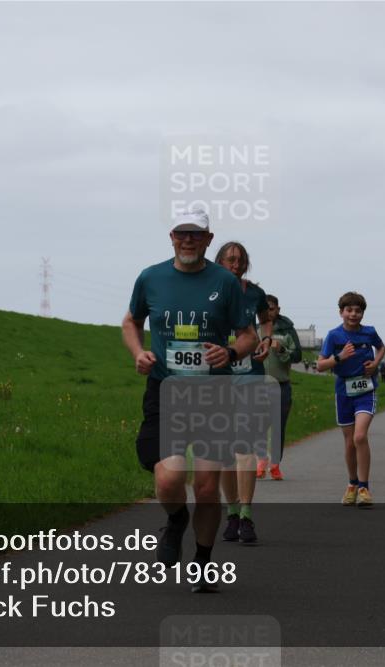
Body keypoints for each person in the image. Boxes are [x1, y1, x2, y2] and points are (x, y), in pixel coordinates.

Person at [122, 208, 257, 592]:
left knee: (207, 488)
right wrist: (138, 352)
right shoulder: (151, 278)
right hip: (167, 391)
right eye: (182, 233)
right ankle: (176, 519)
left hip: (213, 394)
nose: (188, 240)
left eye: (196, 235)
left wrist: (230, 353)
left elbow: (248, 335)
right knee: (169, 480)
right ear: (171, 236)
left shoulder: (225, 283)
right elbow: (131, 321)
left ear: (209, 239)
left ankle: (201, 563)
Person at [213, 242, 270, 544]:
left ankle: (246, 514)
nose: (235, 264)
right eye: (230, 259)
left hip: (249, 375)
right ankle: (232, 511)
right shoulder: (207, 288)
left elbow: (265, 319)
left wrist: (267, 339)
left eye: (240, 260)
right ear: (219, 261)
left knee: (244, 445)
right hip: (218, 378)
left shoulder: (254, 293)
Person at [316, 292, 385, 507]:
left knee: (359, 436)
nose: (353, 314)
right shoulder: (334, 336)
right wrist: (339, 357)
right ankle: (352, 484)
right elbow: (320, 365)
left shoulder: (369, 332)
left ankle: (364, 487)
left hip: (366, 390)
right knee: (349, 443)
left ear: (363, 313)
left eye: (358, 311)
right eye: (349, 310)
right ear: (341, 312)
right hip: (344, 391)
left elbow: (381, 348)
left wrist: (375, 363)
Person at [256, 295, 300, 481]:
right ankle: (261, 460)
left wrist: (281, 349)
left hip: (281, 385)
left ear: (278, 309)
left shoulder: (286, 330)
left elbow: (297, 356)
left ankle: (275, 465)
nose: (268, 312)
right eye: (264, 309)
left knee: (278, 425)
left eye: (271, 308)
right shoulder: (252, 329)